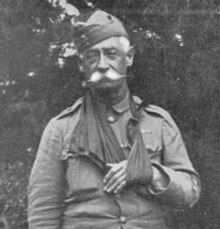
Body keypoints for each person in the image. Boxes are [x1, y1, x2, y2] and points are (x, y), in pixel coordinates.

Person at [28, 9, 201, 229]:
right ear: (81, 65)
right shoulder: (60, 129)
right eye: (92, 56)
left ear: (128, 57)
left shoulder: (158, 121)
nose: (102, 65)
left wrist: (149, 173)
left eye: (111, 54)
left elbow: (190, 192)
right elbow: (43, 215)